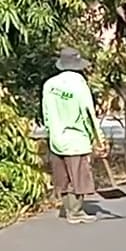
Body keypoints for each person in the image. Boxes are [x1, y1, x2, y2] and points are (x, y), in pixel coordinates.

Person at [41, 47, 105, 224]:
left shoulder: (49, 85)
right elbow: (88, 113)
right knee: (78, 175)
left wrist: (51, 132)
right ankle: (75, 212)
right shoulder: (79, 84)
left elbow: (45, 113)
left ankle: (69, 209)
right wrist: (98, 138)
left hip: (56, 138)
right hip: (76, 138)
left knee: (63, 176)